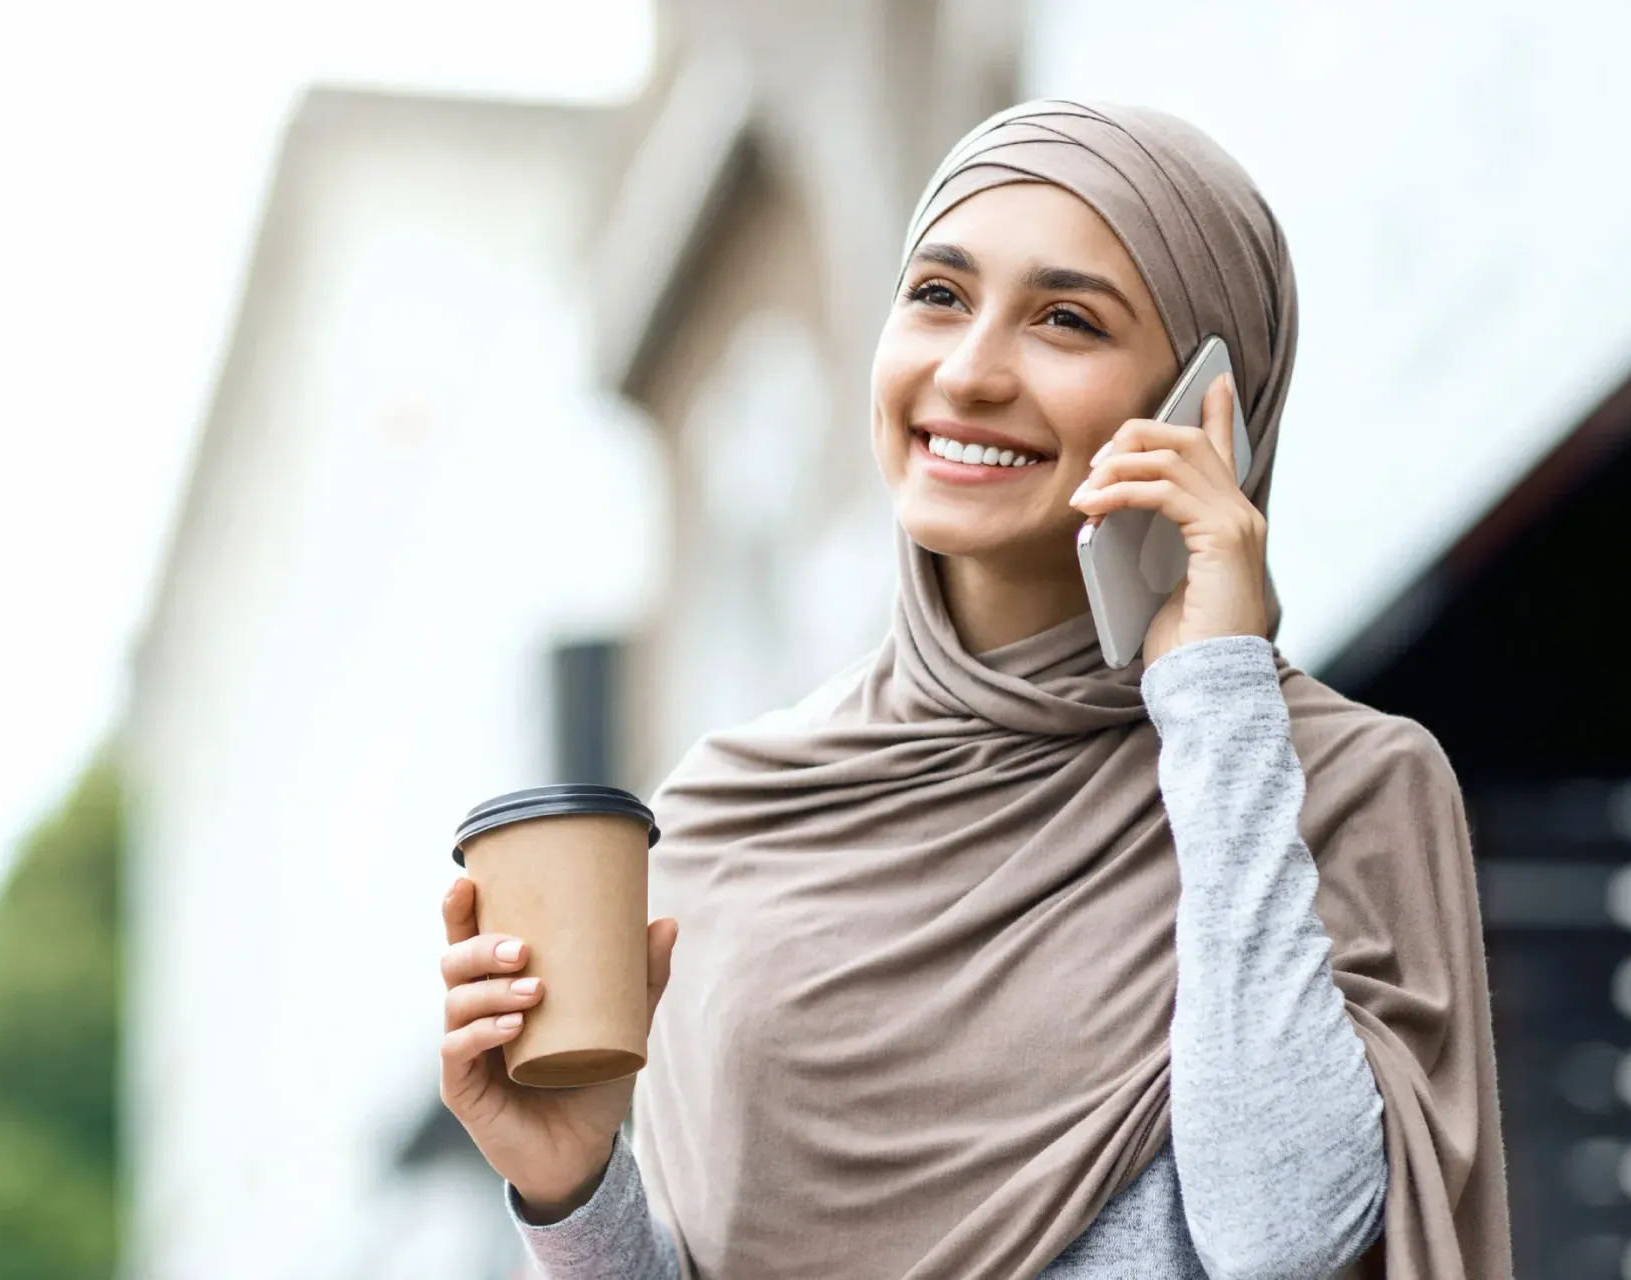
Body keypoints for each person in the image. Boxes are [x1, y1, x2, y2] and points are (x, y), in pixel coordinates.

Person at [437, 101, 1511, 1279]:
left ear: (1210, 402)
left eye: (1065, 319)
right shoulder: (735, 811)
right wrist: (572, 1186)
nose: (969, 370)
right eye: (938, 295)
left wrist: (1214, 700)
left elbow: (1285, 1231)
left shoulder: (1331, 780)